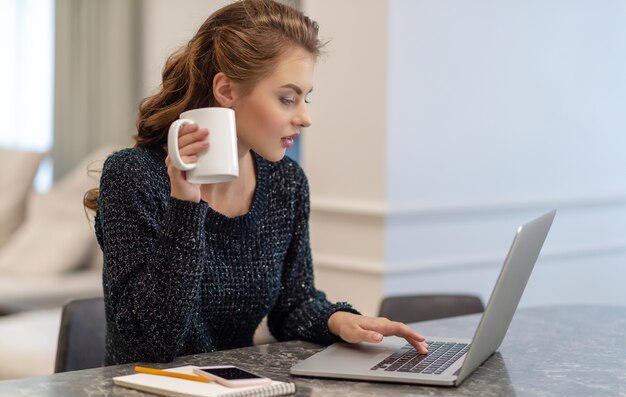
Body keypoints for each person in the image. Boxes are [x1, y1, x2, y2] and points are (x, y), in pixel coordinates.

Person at [85, 0, 428, 366]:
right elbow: (151, 344)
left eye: (305, 98)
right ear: (227, 90)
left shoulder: (286, 183)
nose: (305, 117)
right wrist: (184, 204)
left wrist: (339, 320)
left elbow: (292, 305)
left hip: (238, 393)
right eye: (287, 98)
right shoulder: (132, 176)